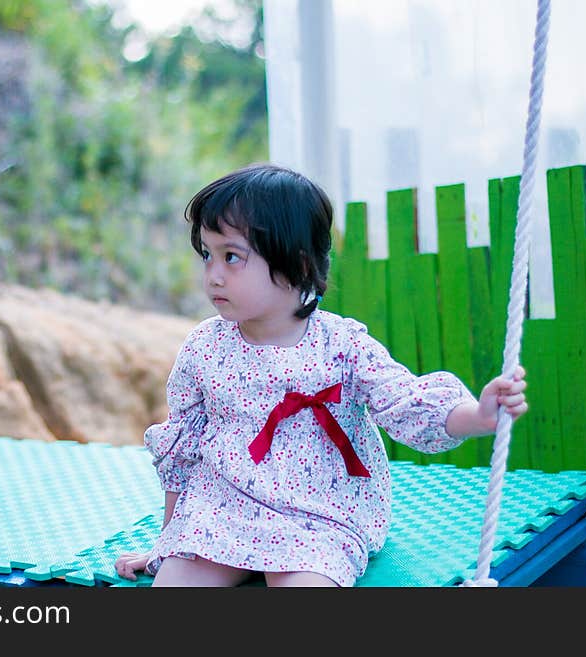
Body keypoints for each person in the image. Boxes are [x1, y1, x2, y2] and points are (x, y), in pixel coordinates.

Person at [114, 163, 528, 587]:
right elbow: (182, 446)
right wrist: (169, 543)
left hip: (319, 511)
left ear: (296, 264)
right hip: (225, 506)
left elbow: (403, 400)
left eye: (232, 257)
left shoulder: (342, 346)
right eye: (207, 255)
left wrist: (476, 415)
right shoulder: (205, 348)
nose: (213, 275)